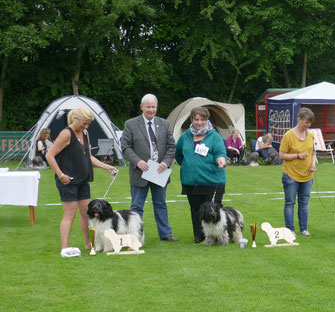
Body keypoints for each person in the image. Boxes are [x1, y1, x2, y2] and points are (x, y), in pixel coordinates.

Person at [45, 107, 118, 257]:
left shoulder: (85, 133)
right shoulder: (66, 134)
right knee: (70, 214)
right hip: (68, 181)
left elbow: (88, 157)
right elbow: (49, 155)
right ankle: (65, 247)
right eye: (84, 123)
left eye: (88, 124)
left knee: (87, 213)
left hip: (83, 180)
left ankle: (89, 243)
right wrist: (60, 175)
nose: (86, 127)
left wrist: (106, 167)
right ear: (75, 119)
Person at [121, 94, 178, 242]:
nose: (151, 110)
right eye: (148, 107)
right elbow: (125, 147)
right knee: (137, 206)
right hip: (140, 172)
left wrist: (166, 162)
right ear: (142, 107)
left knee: (160, 204)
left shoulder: (164, 124)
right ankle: (134, 235)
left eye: (153, 107)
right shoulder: (130, 124)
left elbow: (172, 147)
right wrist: (137, 161)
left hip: (159, 171)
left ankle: (166, 233)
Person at [175, 107, 227, 243]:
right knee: (196, 210)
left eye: (202, 120)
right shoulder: (185, 137)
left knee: (214, 210)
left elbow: (220, 153)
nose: (199, 122)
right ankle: (200, 235)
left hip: (212, 181)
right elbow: (178, 154)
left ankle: (218, 235)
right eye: (196, 119)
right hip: (191, 182)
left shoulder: (214, 136)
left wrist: (221, 160)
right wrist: (187, 166)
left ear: (207, 120)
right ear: (192, 120)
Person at [279, 107, 317, 236]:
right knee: (290, 203)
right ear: (299, 119)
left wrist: (313, 164)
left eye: (310, 123)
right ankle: (290, 230)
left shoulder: (310, 135)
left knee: (304, 203)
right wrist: (297, 155)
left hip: (307, 175)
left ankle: (304, 229)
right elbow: (282, 155)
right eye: (306, 122)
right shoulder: (288, 135)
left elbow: (313, 153)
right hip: (291, 175)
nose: (308, 125)